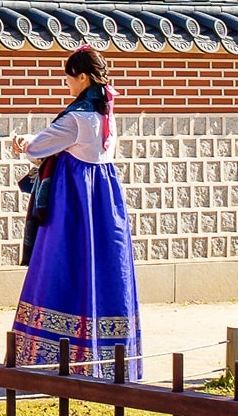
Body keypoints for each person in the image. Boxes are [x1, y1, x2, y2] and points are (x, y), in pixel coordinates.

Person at [9, 46, 141, 376]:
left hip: (73, 208)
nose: (67, 84)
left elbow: (39, 147)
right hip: (103, 203)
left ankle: (50, 356)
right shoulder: (105, 114)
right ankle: (109, 359)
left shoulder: (77, 118)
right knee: (103, 272)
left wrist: (23, 143)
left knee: (62, 269)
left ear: (82, 77)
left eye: (69, 78)